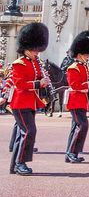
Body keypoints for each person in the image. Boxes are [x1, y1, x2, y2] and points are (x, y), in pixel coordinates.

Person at [8, 23, 50, 176]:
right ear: (25, 47)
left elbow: (38, 77)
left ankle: (14, 165)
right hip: (20, 103)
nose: (36, 52)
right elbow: (19, 84)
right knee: (29, 131)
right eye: (34, 49)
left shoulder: (34, 63)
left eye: (37, 49)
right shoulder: (18, 64)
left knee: (22, 133)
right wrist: (39, 83)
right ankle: (20, 163)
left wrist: (43, 80)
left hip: (30, 102)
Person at [64, 30, 89, 164]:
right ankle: (72, 152)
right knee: (82, 125)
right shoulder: (73, 68)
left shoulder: (84, 67)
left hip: (81, 100)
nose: (88, 56)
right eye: (86, 54)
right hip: (75, 100)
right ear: (79, 54)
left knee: (77, 126)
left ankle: (71, 153)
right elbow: (76, 85)